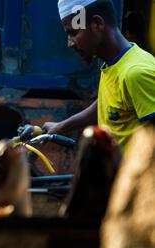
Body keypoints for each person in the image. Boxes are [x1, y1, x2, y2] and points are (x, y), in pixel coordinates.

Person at [43, 0, 155, 151]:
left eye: (73, 33)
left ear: (97, 24)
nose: (70, 43)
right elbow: (108, 103)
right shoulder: (115, 64)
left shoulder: (136, 74)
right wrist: (61, 126)